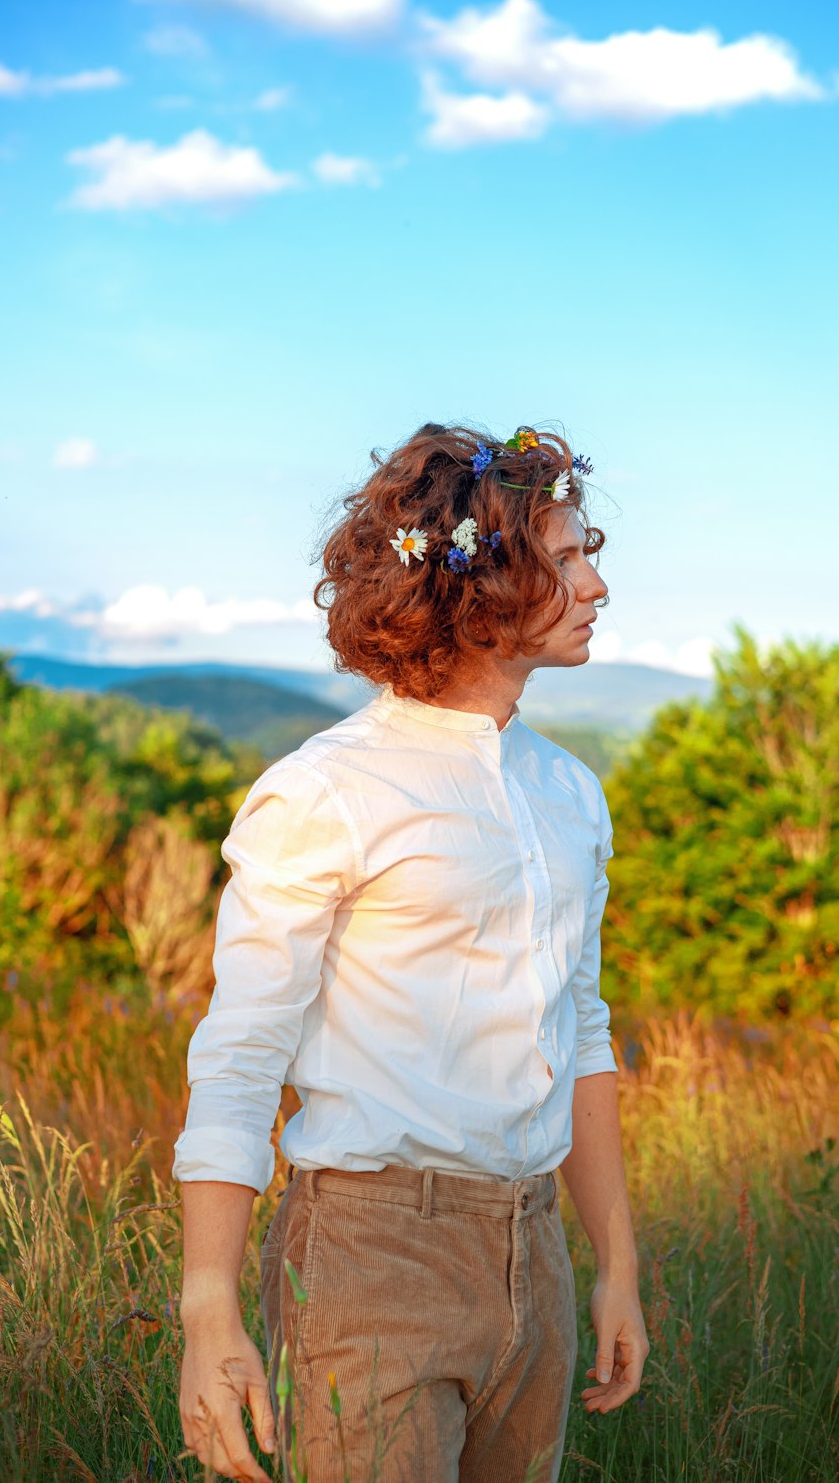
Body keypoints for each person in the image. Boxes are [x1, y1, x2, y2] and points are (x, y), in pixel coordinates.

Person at [173, 423, 649, 1483]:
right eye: (569, 559)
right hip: (370, 1254)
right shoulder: (327, 792)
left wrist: (613, 1265)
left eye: (589, 552)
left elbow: (579, 1031)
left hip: (536, 1253)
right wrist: (209, 1309)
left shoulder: (569, 793)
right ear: (479, 584)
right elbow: (242, 1052)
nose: (599, 585)